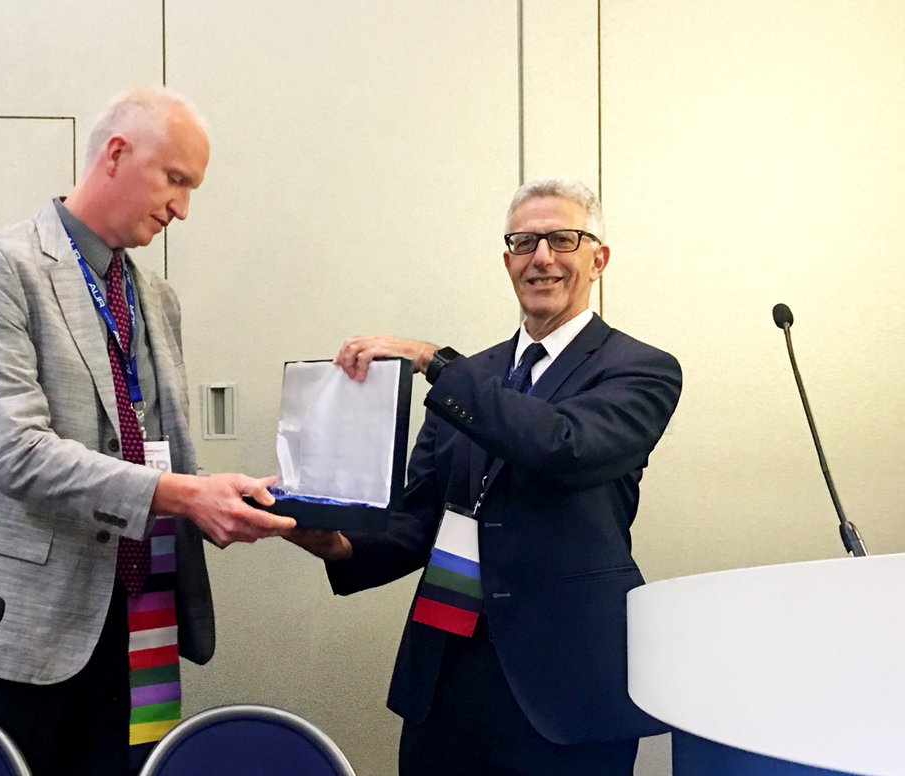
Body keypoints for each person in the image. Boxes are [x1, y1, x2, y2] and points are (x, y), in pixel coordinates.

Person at [0, 86, 294, 776]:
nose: (182, 208)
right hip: (18, 628)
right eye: (175, 179)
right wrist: (184, 495)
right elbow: (17, 453)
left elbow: (151, 450)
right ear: (115, 154)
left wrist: (224, 496)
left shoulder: (157, 298)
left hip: (142, 616)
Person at [289, 178, 682, 775]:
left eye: (562, 239)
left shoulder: (640, 369)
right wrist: (339, 544)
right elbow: (423, 516)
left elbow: (562, 446)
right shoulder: (472, 378)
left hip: (565, 685)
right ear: (507, 262)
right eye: (524, 242)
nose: (541, 257)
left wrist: (432, 360)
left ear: (598, 259)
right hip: (447, 679)